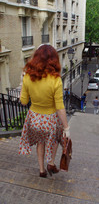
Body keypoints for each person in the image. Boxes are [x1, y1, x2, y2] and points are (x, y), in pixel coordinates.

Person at [19, 44, 70, 178]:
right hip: (49, 121)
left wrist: (23, 82)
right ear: (54, 59)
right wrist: (66, 127)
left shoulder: (27, 77)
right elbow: (59, 107)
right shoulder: (56, 80)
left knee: (40, 142)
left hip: (34, 120)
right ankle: (51, 162)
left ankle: (42, 171)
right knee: (56, 138)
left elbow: (23, 101)